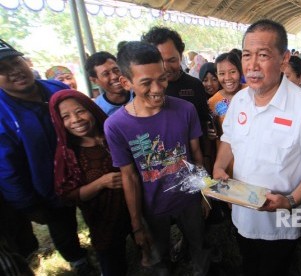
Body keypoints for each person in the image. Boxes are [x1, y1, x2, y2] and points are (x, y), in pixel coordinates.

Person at [212, 19, 301, 275]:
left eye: (263, 55)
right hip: (243, 213)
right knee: (248, 264)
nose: (253, 65)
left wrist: (290, 201)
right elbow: (229, 139)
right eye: (247, 55)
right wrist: (219, 166)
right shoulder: (240, 101)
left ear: (283, 59)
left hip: (283, 221)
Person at [105, 41, 209, 275]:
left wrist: (204, 192)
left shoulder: (185, 110)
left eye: (161, 78)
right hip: (152, 207)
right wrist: (136, 223)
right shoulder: (115, 126)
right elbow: (129, 176)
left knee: (199, 244)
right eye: (146, 83)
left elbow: (197, 155)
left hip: (189, 198)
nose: (158, 88)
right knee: (159, 255)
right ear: (126, 82)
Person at [0, 38, 91, 275]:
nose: (15, 71)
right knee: (63, 228)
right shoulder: (2, 113)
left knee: (96, 213)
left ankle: (104, 243)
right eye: (3, 69)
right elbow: (6, 168)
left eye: (15, 61)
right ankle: (78, 259)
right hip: (48, 192)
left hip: (87, 175)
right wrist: (28, 206)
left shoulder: (57, 89)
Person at [49, 90, 132, 276]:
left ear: (91, 109)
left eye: (80, 111)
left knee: (149, 251)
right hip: (103, 220)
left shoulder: (114, 135)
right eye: (66, 116)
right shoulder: (68, 153)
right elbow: (67, 195)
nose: (75, 119)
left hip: (135, 210)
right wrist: (101, 183)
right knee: (113, 264)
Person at [141, 27, 212, 172]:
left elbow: (204, 125)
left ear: (180, 56)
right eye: (159, 60)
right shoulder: (143, 90)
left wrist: (206, 159)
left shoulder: (195, 85)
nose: (165, 67)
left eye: (172, 60)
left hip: (192, 165)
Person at [85, 51, 132, 116]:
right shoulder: (98, 109)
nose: (114, 76)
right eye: (106, 74)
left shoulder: (139, 92)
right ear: (94, 80)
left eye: (116, 70)